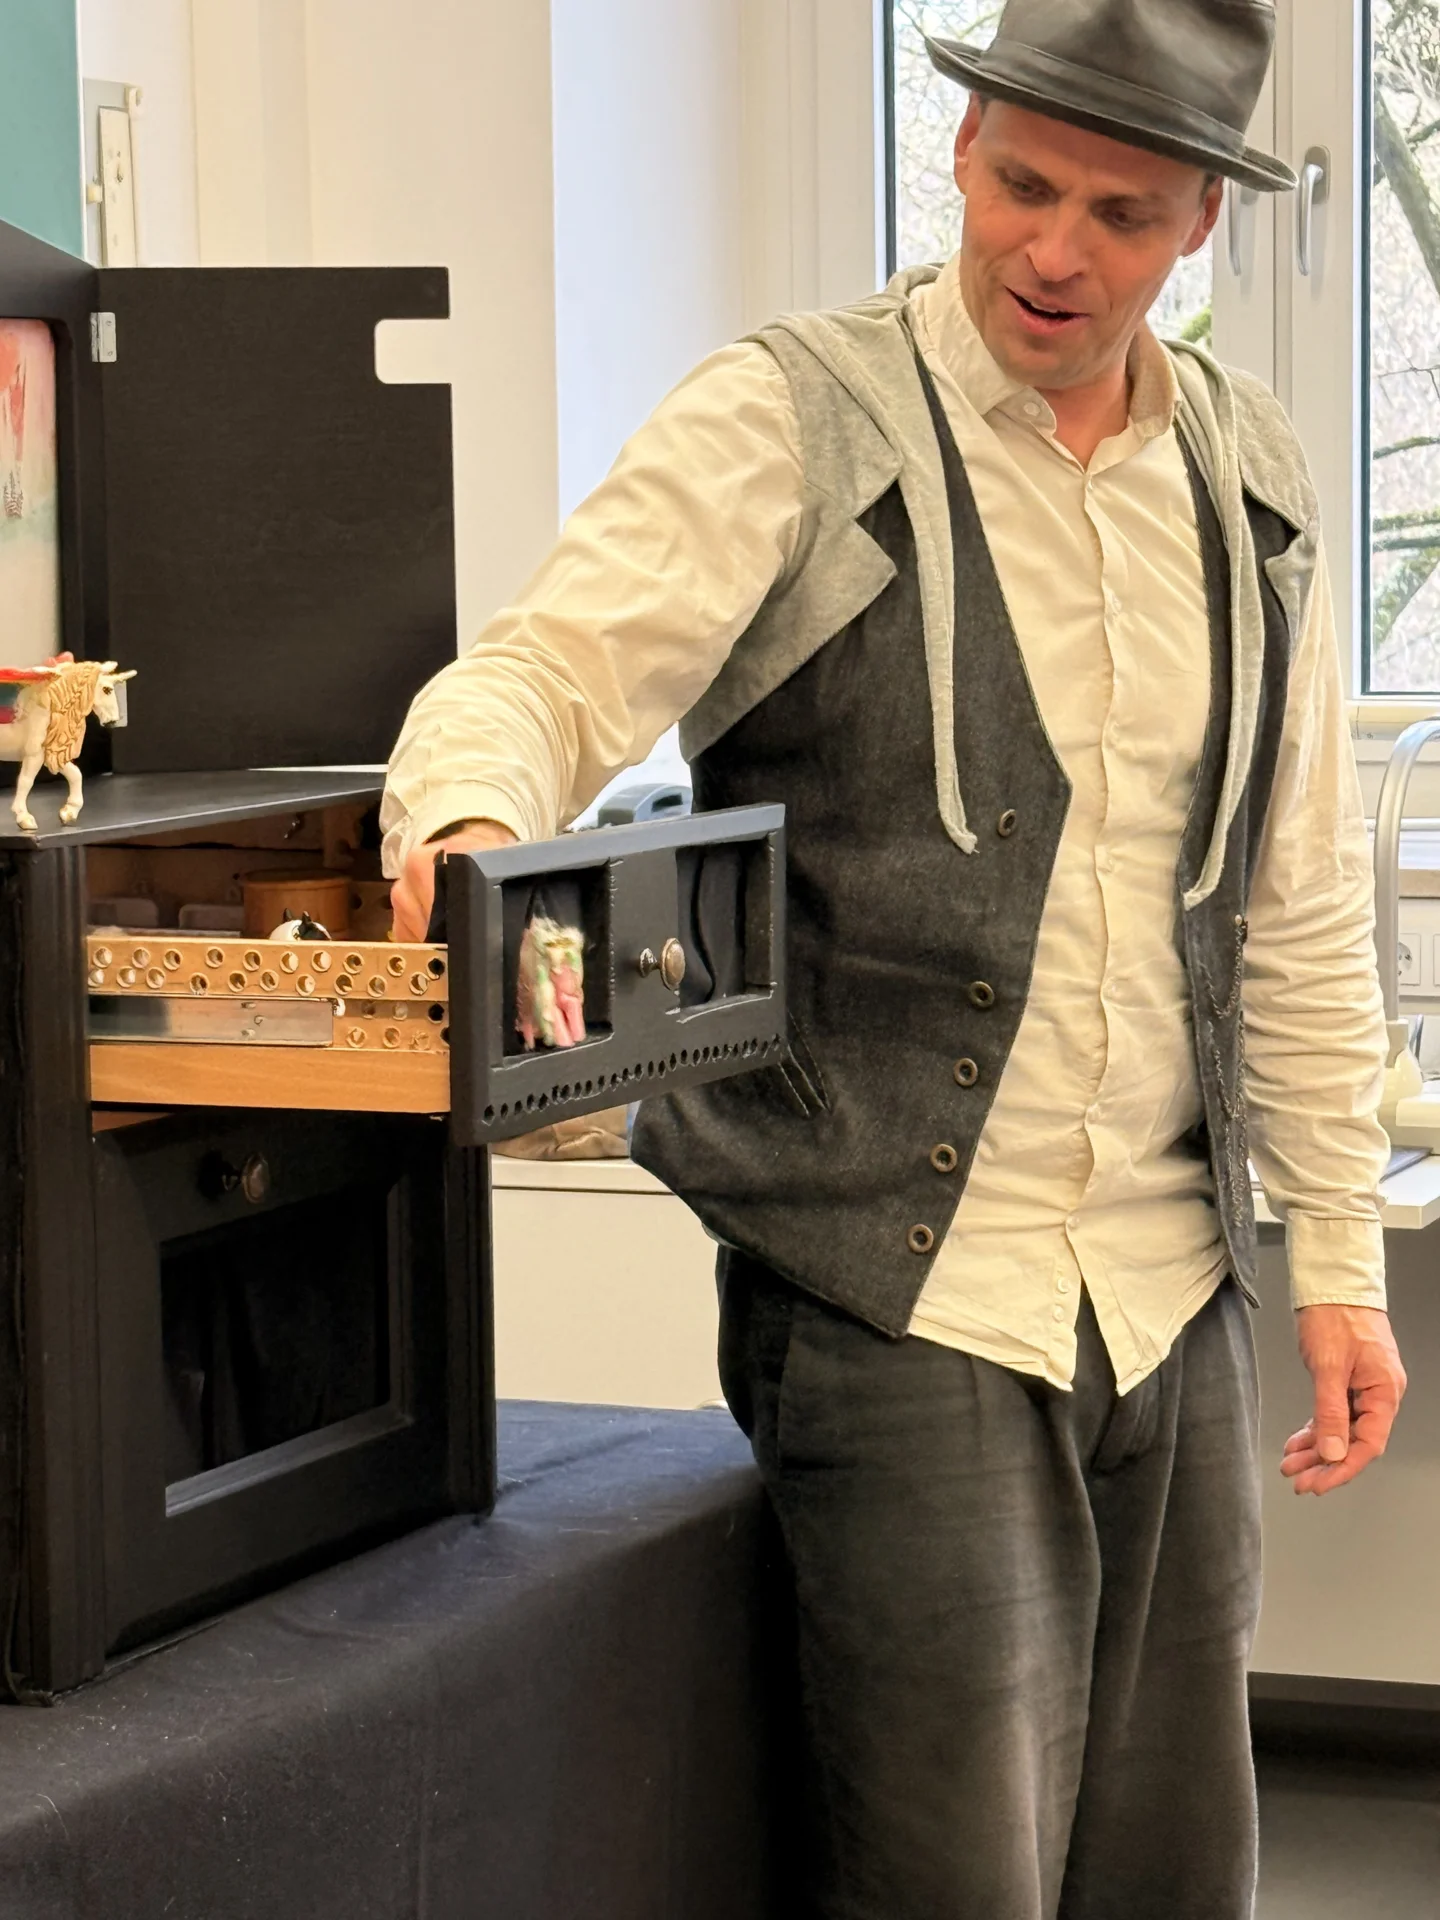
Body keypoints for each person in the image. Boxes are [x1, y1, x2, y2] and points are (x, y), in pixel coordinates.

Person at [383, 2, 1408, 1912]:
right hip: (895, 1279)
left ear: (1201, 219)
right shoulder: (796, 422)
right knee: (952, 1882)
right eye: (1023, 184)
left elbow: (1291, 902)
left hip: (1174, 1287)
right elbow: (543, 675)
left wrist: (1337, 1259)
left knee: (1178, 1874)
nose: (1053, 249)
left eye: (1119, 212)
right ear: (961, 148)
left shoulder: (1249, 475)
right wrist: (460, 823)